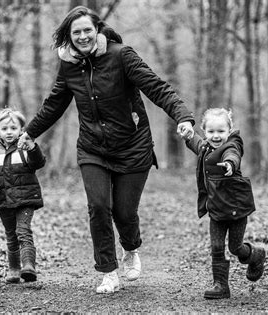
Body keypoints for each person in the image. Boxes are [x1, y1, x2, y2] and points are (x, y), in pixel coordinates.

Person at [17, 6, 195, 293]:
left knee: (124, 213)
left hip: (133, 147)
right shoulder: (70, 66)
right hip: (93, 149)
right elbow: (54, 104)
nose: (83, 36)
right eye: (77, 32)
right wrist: (29, 132)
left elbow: (157, 88)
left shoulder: (121, 55)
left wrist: (183, 116)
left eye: (88, 30)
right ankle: (108, 271)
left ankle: (131, 248)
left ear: (97, 30)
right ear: (69, 36)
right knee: (99, 206)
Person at [181, 108, 266, 299]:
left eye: (221, 131)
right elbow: (197, 143)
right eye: (211, 132)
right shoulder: (205, 147)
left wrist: (230, 164)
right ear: (205, 131)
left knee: (235, 248)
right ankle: (220, 285)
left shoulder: (232, 146)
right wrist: (189, 135)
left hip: (236, 209)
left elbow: (233, 155)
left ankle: (256, 255)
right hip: (217, 210)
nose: (216, 136)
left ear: (229, 131)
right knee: (217, 247)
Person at [0, 108, 46, 284]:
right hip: (3, 198)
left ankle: (28, 266)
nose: (9, 132)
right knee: (11, 234)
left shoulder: (25, 147)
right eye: (5, 128)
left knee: (23, 231)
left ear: (21, 130)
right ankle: (14, 269)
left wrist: (33, 148)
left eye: (13, 128)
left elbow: (38, 162)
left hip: (25, 198)